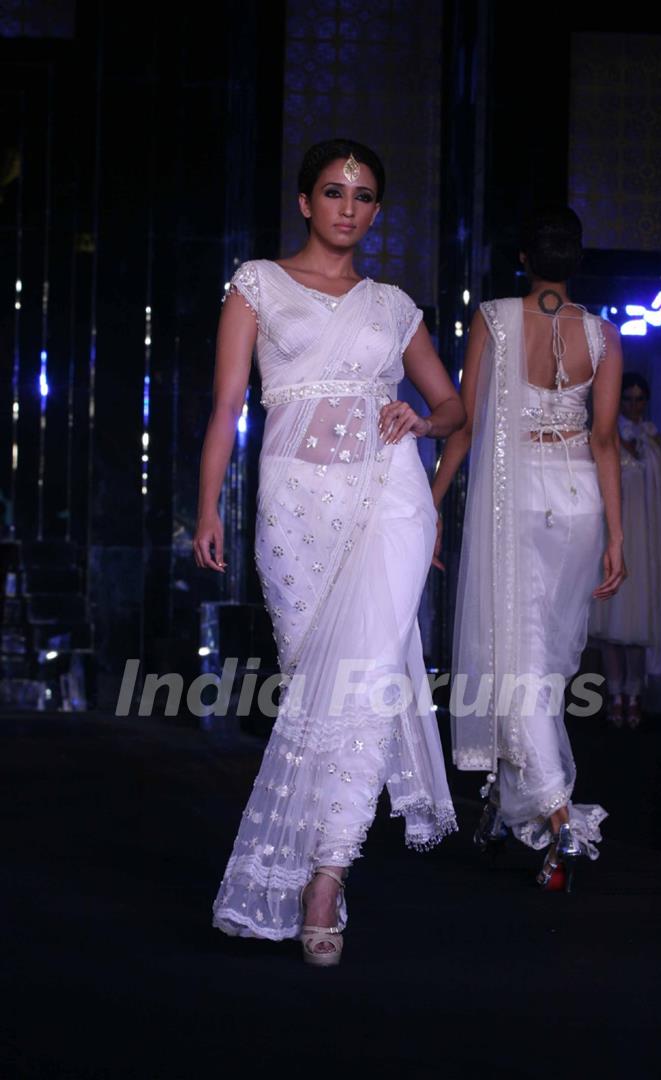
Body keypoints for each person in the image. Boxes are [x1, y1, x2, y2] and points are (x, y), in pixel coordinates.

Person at [194, 139, 464, 965]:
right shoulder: (258, 284)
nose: (349, 207)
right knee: (318, 684)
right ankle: (319, 862)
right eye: (334, 191)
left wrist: (422, 422)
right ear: (306, 201)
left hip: (389, 501)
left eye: (364, 195)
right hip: (294, 507)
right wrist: (205, 505)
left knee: (368, 682)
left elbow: (453, 404)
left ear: (377, 212)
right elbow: (227, 404)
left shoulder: (393, 305)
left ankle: (326, 875)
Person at [431, 207, 625, 891]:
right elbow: (605, 442)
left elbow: (463, 422)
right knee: (540, 664)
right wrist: (619, 534)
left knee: (519, 657)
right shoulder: (603, 334)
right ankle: (508, 804)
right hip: (579, 501)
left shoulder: (492, 319)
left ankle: (558, 814)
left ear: (524, 259)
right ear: (576, 261)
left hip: (519, 497)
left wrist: (432, 500)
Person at [589, 372, 661, 727]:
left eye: (639, 398)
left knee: (641, 622)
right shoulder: (607, 437)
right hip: (619, 538)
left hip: (649, 542)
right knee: (614, 622)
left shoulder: (659, 442)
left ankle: (635, 695)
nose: (633, 404)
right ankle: (616, 695)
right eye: (627, 398)